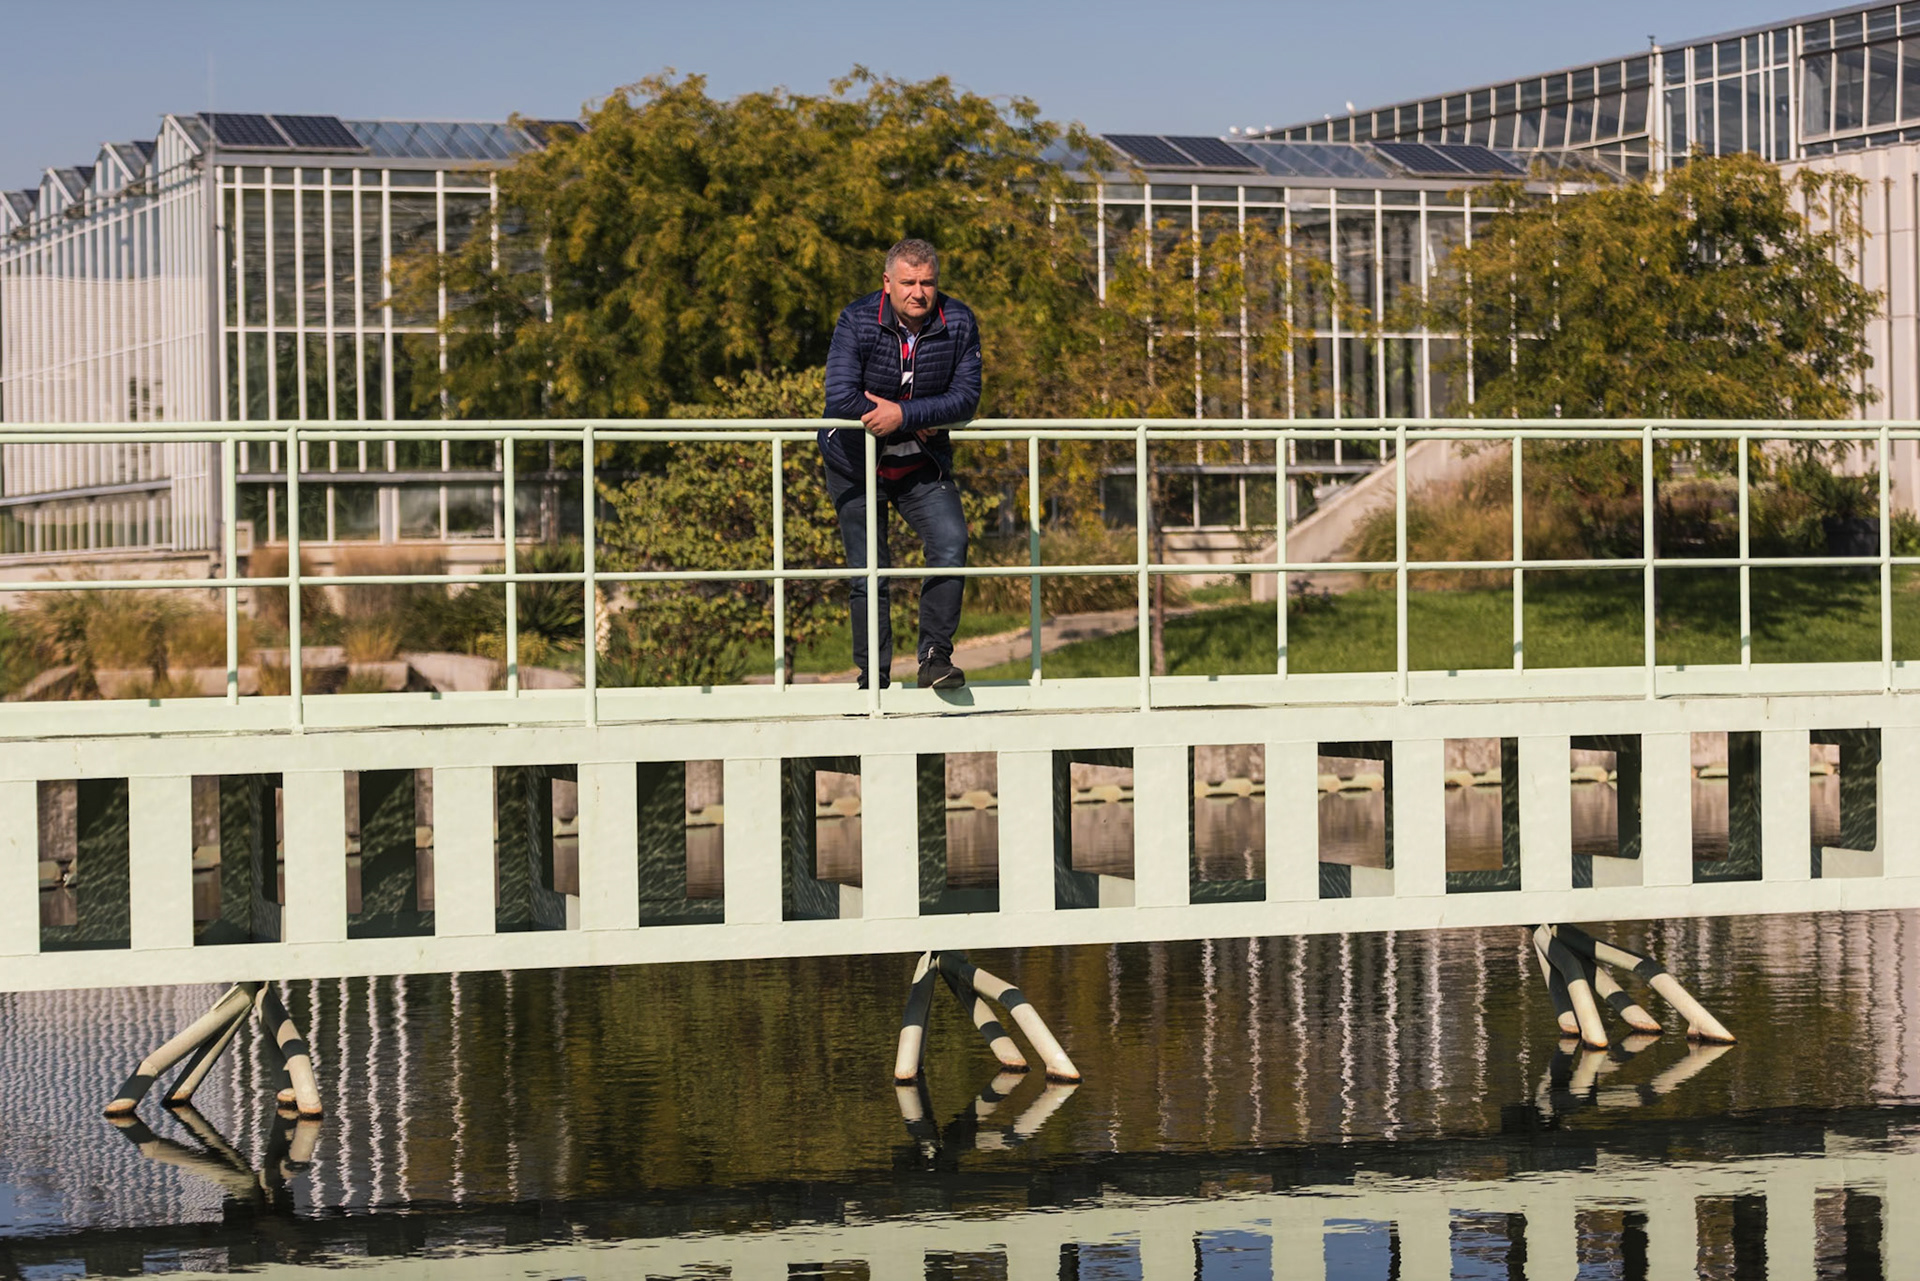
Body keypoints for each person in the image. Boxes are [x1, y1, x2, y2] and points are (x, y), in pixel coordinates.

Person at [822, 239, 981, 690]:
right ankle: (874, 678)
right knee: (870, 569)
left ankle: (934, 660)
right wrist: (923, 413)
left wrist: (905, 415)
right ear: (887, 283)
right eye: (908, 282)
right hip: (855, 463)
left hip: (922, 465)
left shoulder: (960, 321)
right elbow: (842, 397)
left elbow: (966, 398)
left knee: (951, 544)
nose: (918, 292)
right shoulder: (856, 319)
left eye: (927, 282)